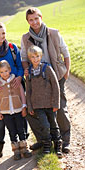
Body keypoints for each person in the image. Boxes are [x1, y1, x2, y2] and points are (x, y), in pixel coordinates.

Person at [20, 7, 71, 153]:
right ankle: (44, 140)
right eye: (31, 19)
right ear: (28, 21)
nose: (34, 22)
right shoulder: (25, 38)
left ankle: (64, 141)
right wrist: (26, 71)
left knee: (60, 108)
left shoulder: (53, 33)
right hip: (37, 80)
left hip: (56, 76)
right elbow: (24, 57)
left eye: (36, 18)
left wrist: (66, 73)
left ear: (41, 17)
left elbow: (66, 53)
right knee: (35, 111)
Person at [0, 23, 28, 161]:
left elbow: (20, 66)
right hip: (2, 88)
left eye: (3, 33)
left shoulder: (13, 48)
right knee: (3, 118)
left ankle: (24, 145)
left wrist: (19, 77)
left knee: (21, 115)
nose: (1, 36)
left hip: (16, 85)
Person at [26, 45, 62, 158]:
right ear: (29, 58)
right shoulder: (29, 73)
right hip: (37, 106)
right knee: (44, 125)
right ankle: (47, 144)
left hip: (50, 104)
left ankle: (58, 145)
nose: (35, 59)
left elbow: (56, 86)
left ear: (41, 56)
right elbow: (29, 90)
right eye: (33, 57)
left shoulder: (47, 69)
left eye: (37, 56)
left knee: (53, 125)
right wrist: (30, 107)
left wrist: (56, 103)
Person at [0, 60, 31, 160]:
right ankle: (16, 151)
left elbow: (22, 94)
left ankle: (24, 148)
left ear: (9, 70)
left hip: (18, 109)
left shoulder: (16, 80)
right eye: (1, 72)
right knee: (12, 131)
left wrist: (24, 106)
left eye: (6, 71)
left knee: (21, 129)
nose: (4, 74)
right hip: (6, 112)